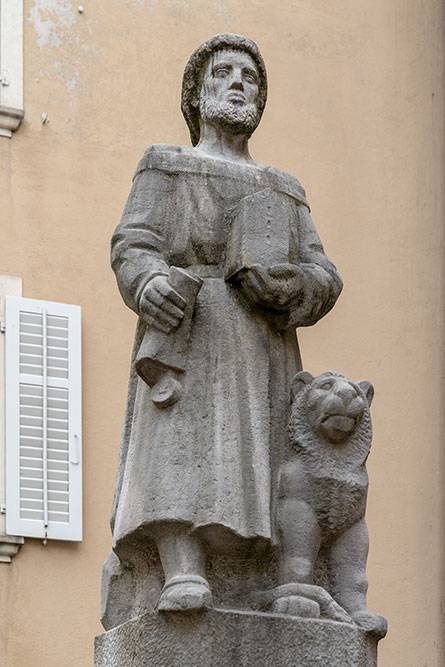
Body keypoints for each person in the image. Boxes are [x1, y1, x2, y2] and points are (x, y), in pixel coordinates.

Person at [108, 33, 342, 613]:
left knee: (266, 463)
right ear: (198, 92)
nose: (240, 82)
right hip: (190, 327)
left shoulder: (285, 190)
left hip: (263, 341)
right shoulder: (166, 166)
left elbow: (324, 272)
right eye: (225, 72)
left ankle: (262, 574)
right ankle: (181, 569)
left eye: (251, 77)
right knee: (177, 447)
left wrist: (293, 287)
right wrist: (149, 282)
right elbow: (132, 245)